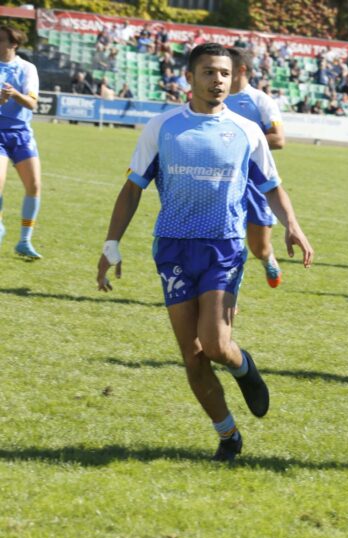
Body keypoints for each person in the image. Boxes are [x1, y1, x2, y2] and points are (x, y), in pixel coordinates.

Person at [95, 43, 314, 462]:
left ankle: (242, 366)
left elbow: (272, 187)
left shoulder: (247, 131)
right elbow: (132, 188)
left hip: (224, 247)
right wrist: (111, 244)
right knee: (192, 357)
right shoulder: (163, 127)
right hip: (173, 248)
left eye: (224, 74)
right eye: (209, 72)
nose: (218, 81)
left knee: (214, 344)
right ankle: (228, 435)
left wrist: (294, 227)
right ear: (189, 78)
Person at [224, 47, 288, 288]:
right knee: (227, 244)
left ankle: (267, 257)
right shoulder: (213, 98)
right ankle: (225, 293)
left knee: (257, 247)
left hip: (255, 182)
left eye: (225, 68)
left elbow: (279, 139)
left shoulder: (261, 101)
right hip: (223, 179)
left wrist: (238, 142)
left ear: (241, 69)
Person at [0, 26, 44, 259]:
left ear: (13, 44)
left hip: (21, 135)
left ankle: (24, 241)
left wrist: (14, 95)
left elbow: (32, 103)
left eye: (0, 40)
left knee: (34, 185)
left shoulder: (27, 68)